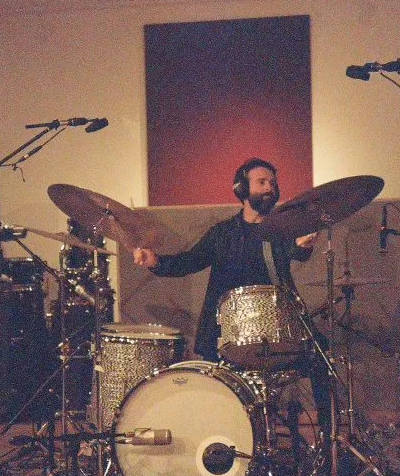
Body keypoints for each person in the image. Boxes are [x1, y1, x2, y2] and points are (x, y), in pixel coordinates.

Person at [132, 157, 333, 434]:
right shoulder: (222, 234)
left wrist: (302, 245)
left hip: (276, 331)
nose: (269, 189)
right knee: (219, 399)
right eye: (261, 182)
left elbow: (295, 252)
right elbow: (188, 262)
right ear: (241, 189)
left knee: (323, 358)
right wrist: (156, 261)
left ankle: (327, 442)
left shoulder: (284, 231)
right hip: (224, 332)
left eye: (272, 183)